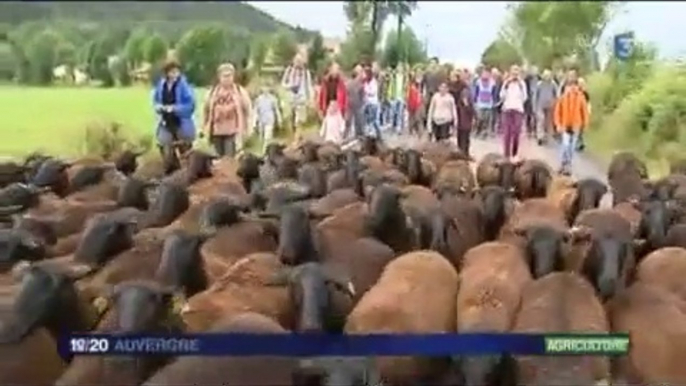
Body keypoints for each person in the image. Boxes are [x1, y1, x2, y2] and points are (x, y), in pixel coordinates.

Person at [153, 59, 196, 157]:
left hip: (181, 123)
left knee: (186, 153)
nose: (176, 74)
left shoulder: (184, 86)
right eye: (173, 72)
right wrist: (158, 107)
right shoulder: (161, 85)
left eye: (177, 72)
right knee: (166, 151)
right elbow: (156, 100)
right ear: (167, 73)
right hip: (166, 123)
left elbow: (191, 106)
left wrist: (174, 109)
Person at [202, 63, 244, 157]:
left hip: (232, 131)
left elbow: (247, 110)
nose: (227, 78)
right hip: (216, 131)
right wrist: (204, 127)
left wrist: (245, 130)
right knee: (217, 158)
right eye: (224, 76)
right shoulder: (213, 92)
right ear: (219, 77)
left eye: (229, 76)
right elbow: (206, 110)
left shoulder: (239, 91)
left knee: (229, 158)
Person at [554, 78, 588, 176]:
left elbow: (584, 112)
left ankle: (568, 165)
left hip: (576, 125)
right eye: (570, 85)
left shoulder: (580, 97)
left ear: (577, 86)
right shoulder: (562, 98)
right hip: (565, 125)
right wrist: (558, 124)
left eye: (574, 85)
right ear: (566, 87)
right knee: (565, 145)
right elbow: (557, 112)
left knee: (572, 147)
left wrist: (584, 124)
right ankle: (562, 163)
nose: (572, 88)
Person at [499, 65, 528, 159]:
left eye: (517, 72)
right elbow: (501, 96)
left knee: (516, 133)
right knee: (507, 133)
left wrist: (520, 86)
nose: (515, 74)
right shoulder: (506, 83)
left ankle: (514, 153)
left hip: (518, 110)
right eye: (513, 72)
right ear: (510, 72)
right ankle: (506, 154)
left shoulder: (522, 84)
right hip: (507, 109)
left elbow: (525, 97)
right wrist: (506, 85)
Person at [281, 53, 314, 135]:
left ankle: (297, 139)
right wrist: (289, 86)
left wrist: (311, 99)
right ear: (293, 61)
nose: (298, 62)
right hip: (290, 98)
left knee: (299, 121)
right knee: (289, 118)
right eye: (297, 60)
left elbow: (309, 86)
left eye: (300, 61)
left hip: (301, 99)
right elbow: (283, 83)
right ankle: (292, 136)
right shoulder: (289, 71)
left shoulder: (306, 73)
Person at [253, 83, 282, 153]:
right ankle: (263, 150)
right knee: (261, 137)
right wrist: (254, 122)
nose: (265, 89)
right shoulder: (258, 99)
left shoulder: (273, 99)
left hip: (270, 119)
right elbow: (256, 111)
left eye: (267, 88)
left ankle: (265, 151)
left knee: (267, 137)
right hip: (261, 120)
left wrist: (279, 119)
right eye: (264, 87)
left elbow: (276, 110)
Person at [534, 69, 558, 145]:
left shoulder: (553, 84)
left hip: (550, 105)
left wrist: (555, 103)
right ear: (543, 76)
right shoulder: (539, 84)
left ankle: (547, 137)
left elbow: (557, 94)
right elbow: (535, 96)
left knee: (548, 122)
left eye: (548, 75)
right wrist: (534, 106)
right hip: (540, 105)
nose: (547, 77)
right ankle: (540, 137)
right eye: (545, 75)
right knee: (541, 120)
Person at [473, 67, 497, 138]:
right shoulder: (478, 82)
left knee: (486, 119)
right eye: (484, 73)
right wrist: (475, 101)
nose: (485, 75)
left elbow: (494, 93)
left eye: (487, 74)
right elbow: (476, 92)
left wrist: (494, 102)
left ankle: (484, 132)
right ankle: (478, 130)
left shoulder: (492, 82)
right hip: (480, 103)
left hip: (489, 103)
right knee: (480, 118)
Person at [386, 63, 407, 134]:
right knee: (392, 112)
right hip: (394, 97)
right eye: (399, 67)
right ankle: (392, 126)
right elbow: (390, 86)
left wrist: (405, 97)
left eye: (401, 68)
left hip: (401, 97)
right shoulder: (394, 77)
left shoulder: (405, 77)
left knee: (400, 113)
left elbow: (406, 88)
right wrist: (389, 96)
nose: (400, 69)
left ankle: (399, 127)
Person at [345, 64, 366, 139]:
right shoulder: (349, 83)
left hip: (357, 105)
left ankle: (358, 133)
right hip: (351, 105)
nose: (361, 74)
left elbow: (363, 95)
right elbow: (346, 93)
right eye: (360, 72)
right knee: (349, 121)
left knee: (358, 121)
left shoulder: (360, 84)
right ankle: (346, 134)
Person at [362, 65, 382, 139]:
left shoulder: (373, 82)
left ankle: (377, 133)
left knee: (373, 120)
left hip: (373, 103)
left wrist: (366, 91)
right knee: (368, 120)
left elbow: (373, 92)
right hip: (367, 103)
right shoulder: (365, 82)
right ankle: (369, 133)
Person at [456, 86, 475, 156]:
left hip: (466, 124)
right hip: (460, 124)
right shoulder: (459, 105)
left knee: (466, 139)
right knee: (460, 139)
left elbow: (472, 112)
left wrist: (467, 105)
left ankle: (465, 153)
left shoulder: (469, 106)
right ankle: (461, 153)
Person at [523, 65, 539, 137]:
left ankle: (535, 130)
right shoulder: (527, 79)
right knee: (528, 115)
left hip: (537, 99)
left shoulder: (539, 79)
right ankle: (528, 130)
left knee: (536, 116)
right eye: (533, 70)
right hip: (529, 99)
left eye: (535, 70)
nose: (534, 72)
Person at [406, 72, 424, 138]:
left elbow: (421, 96)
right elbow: (408, 95)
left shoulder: (422, 86)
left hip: (418, 105)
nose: (419, 79)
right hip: (411, 104)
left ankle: (420, 134)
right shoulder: (411, 85)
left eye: (420, 78)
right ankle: (411, 131)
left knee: (418, 119)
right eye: (417, 77)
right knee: (411, 119)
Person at [576, 77, 591, 152]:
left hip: (583, 113)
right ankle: (578, 143)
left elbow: (588, 103)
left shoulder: (585, 93)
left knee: (581, 129)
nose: (581, 85)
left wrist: (588, 111)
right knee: (577, 129)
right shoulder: (575, 92)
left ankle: (580, 143)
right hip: (576, 113)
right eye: (579, 83)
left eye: (582, 83)